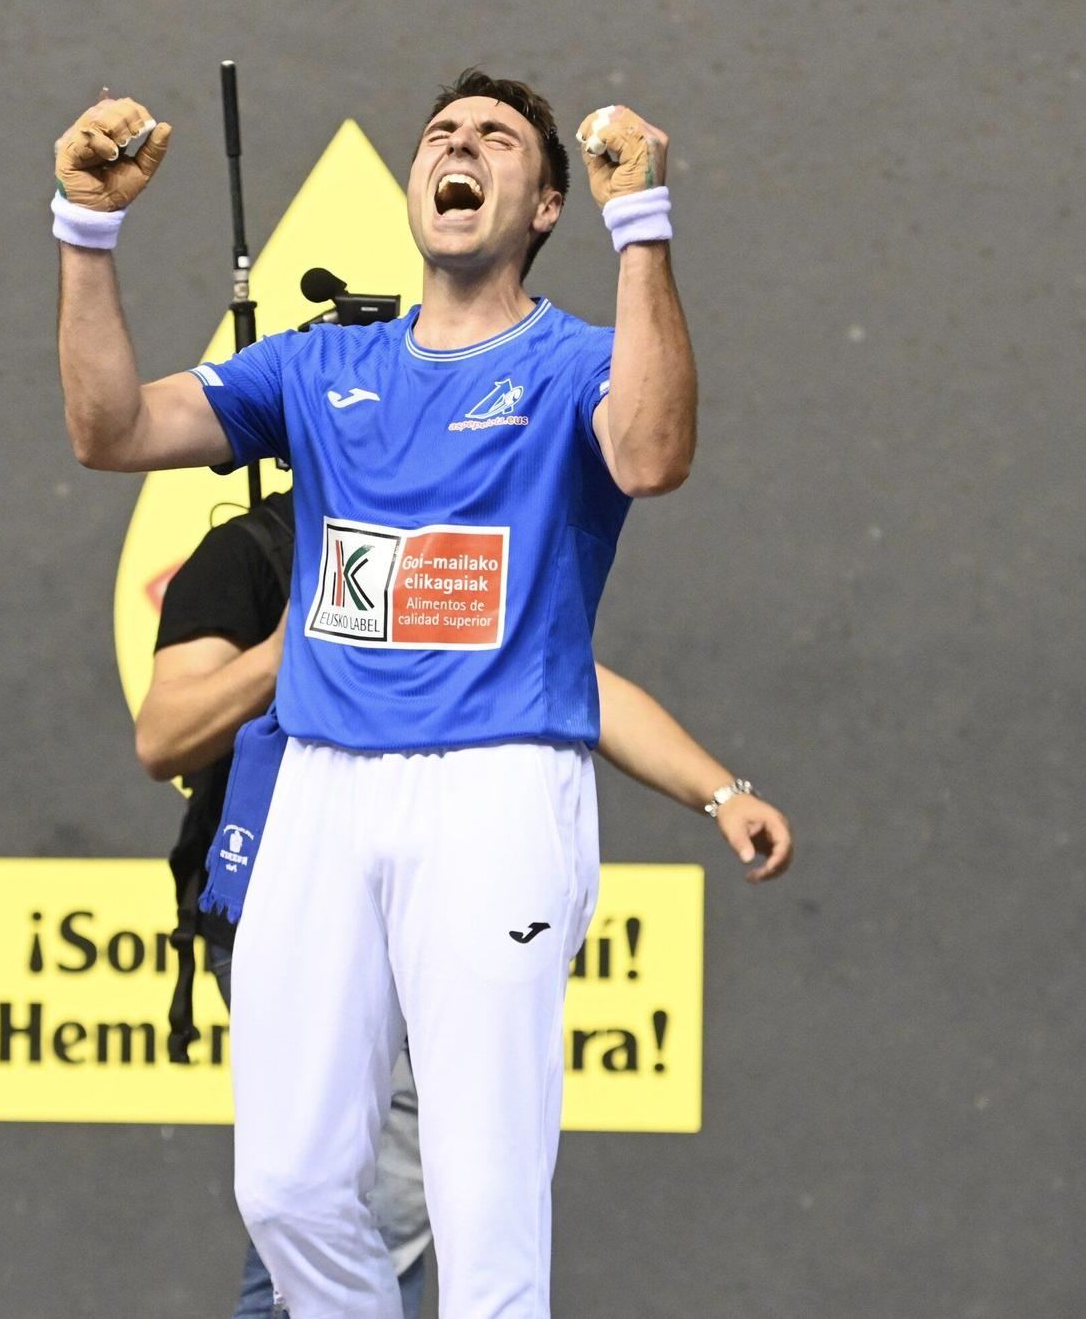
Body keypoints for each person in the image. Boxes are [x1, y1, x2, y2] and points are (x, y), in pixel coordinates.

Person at [55, 66, 739, 1315]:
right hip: (317, 790)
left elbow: (651, 454)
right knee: (285, 1186)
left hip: (494, 790)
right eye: (441, 134)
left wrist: (639, 223)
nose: (457, 147)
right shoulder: (319, 370)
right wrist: (86, 232)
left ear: (540, 206)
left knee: (480, 1207)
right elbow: (109, 431)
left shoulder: (577, 360)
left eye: (492, 138)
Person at [140, 489, 793, 1317]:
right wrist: (297, 637)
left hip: (444, 893)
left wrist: (719, 792)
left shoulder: (447, 538)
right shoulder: (248, 553)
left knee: (399, 1194)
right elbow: (164, 734)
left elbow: (567, 679)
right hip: (282, 899)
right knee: (308, 1192)